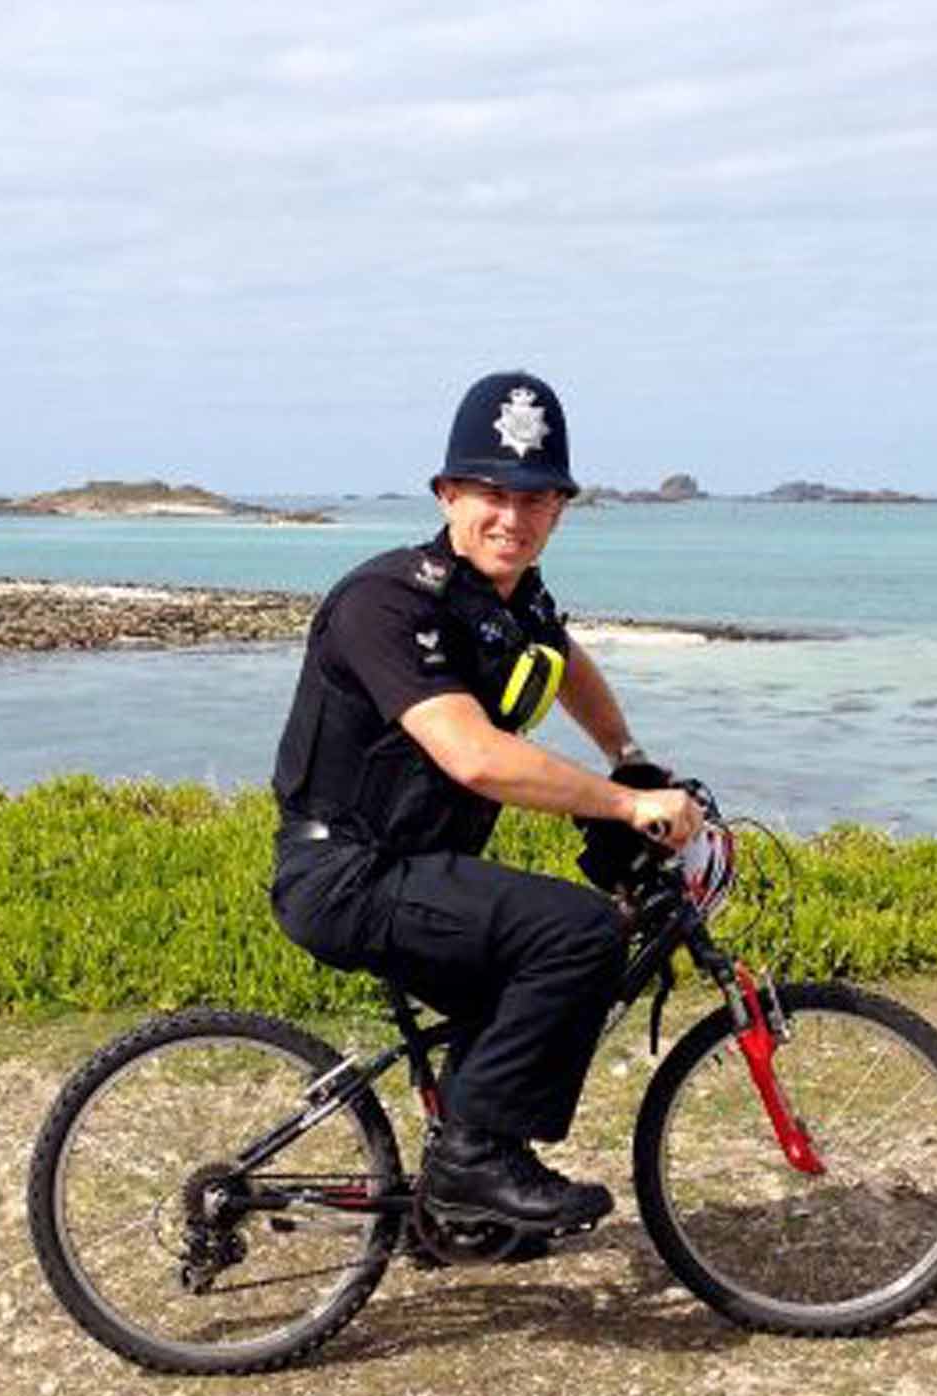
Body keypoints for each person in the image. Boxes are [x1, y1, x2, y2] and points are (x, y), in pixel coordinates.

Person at [269, 370, 700, 1234]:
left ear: (561, 510)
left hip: (415, 868)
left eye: (536, 498)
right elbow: (470, 755)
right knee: (577, 932)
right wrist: (619, 807)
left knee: (519, 989)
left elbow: (562, 656)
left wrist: (629, 756)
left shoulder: (510, 598)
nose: (512, 516)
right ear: (447, 494)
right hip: (350, 874)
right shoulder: (390, 601)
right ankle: (471, 1164)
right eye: (491, 493)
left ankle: (459, 1219)